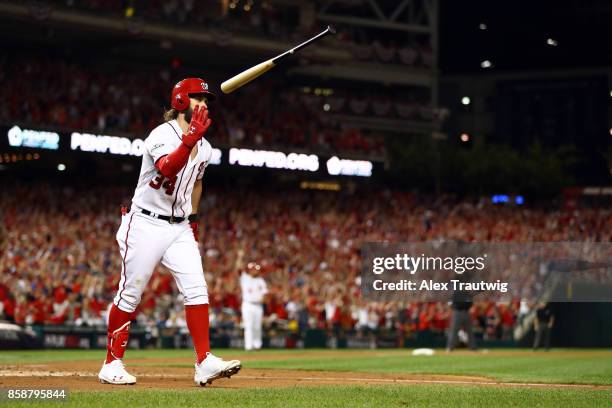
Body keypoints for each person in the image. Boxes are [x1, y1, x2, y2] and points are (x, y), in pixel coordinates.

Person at [98, 78, 241, 386]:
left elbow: (197, 183)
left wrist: (193, 219)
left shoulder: (205, 147)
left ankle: (203, 361)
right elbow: (166, 169)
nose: (203, 104)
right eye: (196, 98)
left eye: (206, 99)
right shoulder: (162, 134)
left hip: (179, 226)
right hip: (145, 222)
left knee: (197, 288)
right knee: (131, 292)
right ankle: (111, 364)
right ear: (179, 100)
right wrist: (188, 140)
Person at [240, 261, 268, 350]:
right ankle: (248, 346)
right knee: (248, 325)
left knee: (257, 326)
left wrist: (263, 299)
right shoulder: (245, 278)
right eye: (253, 269)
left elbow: (265, 294)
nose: (255, 271)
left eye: (256, 269)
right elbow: (239, 268)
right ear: (249, 270)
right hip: (247, 304)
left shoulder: (261, 280)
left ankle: (257, 345)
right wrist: (240, 257)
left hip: (258, 305)